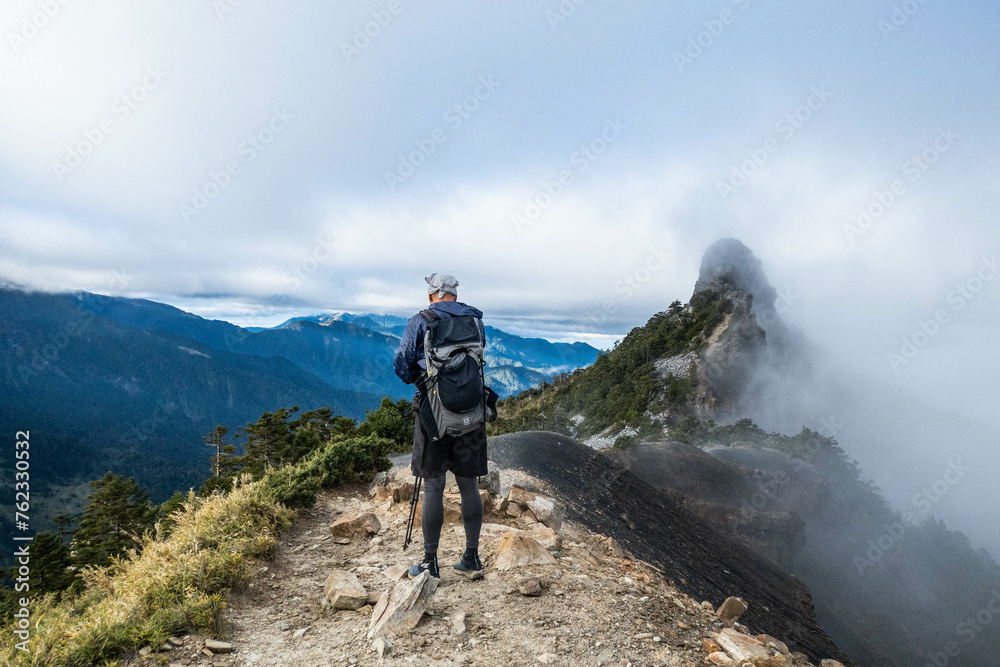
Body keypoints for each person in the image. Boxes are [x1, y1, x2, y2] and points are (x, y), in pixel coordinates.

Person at [393, 273, 489, 580]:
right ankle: (471, 558)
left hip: (434, 413)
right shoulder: (476, 320)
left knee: (434, 486)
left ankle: (430, 564)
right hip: (472, 412)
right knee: (468, 485)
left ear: (434, 293)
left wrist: (423, 380)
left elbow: (403, 365)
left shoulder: (421, 321)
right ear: (454, 294)